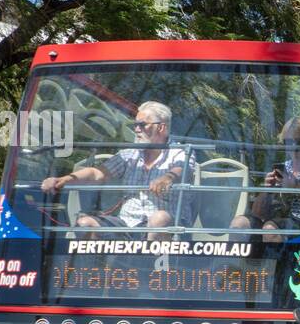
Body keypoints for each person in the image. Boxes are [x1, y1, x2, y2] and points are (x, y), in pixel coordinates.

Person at [41, 101, 190, 236]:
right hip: (127, 224)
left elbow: (180, 169)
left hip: (168, 226)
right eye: (135, 125)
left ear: (161, 127)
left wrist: (167, 178)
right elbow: (98, 173)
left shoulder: (180, 152)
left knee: (159, 218)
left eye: (142, 125)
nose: (137, 129)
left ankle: (153, 266)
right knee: (85, 224)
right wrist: (63, 180)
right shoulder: (129, 154)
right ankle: (94, 266)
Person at [230, 115, 300, 250]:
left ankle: (275, 270)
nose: (293, 147)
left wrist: (296, 187)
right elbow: (258, 214)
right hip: (283, 221)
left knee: (270, 229)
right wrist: (267, 189)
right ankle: (236, 268)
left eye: (299, 142)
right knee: (239, 224)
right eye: (288, 142)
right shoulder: (285, 167)